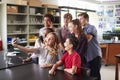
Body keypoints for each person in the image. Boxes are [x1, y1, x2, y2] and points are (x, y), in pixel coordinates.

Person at [78, 12, 102, 80]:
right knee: (88, 75)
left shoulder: (92, 27)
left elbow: (87, 39)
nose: (79, 21)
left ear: (86, 19)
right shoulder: (81, 30)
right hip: (86, 57)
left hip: (94, 56)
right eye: (78, 19)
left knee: (95, 75)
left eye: (81, 19)